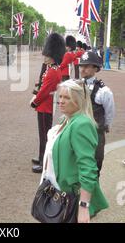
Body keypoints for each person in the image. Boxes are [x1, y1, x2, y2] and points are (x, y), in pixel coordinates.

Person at [40, 79, 109, 223]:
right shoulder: (66, 119)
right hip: (56, 189)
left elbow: (88, 167)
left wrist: (84, 206)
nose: (61, 101)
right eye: (60, 96)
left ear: (78, 101)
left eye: (67, 97)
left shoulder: (81, 124)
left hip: (69, 196)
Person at [30, 33, 65, 173]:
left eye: (46, 55)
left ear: (52, 56)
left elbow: (44, 91)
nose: (44, 57)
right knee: (43, 134)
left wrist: (34, 102)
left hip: (45, 106)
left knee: (45, 135)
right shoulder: (52, 69)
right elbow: (44, 85)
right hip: (45, 105)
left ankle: (44, 164)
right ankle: (40, 157)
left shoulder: (53, 71)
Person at [79, 51, 115, 174]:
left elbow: (110, 112)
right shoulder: (76, 86)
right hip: (79, 132)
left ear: (95, 68)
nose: (82, 69)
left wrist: (106, 126)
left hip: (95, 134)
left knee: (95, 164)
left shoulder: (104, 91)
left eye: (86, 66)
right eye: (81, 66)